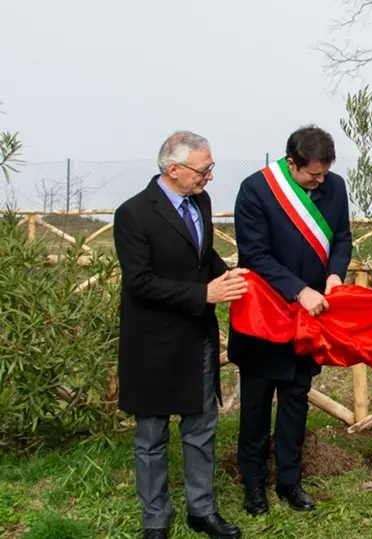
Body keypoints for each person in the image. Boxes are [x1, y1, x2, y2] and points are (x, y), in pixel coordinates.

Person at [113, 131, 246, 539]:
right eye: (204, 170)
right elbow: (140, 283)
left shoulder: (200, 201)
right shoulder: (133, 214)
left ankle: (201, 511)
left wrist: (229, 275)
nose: (209, 177)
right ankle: (156, 520)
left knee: (201, 429)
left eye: (210, 168)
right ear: (174, 169)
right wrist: (204, 294)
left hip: (197, 337)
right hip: (152, 343)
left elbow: (200, 256)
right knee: (151, 436)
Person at [229, 125, 353, 517]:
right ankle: (253, 483)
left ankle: (289, 480)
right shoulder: (256, 190)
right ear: (291, 162)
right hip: (265, 315)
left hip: (311, 317)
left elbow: (343, 239)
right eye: (312, 175)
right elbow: (255, 255)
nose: (320, 182)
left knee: (296, 400)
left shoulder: (335, 188)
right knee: (256, 404)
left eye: (324, 174)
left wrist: (335, 273)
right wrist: (300, 290)